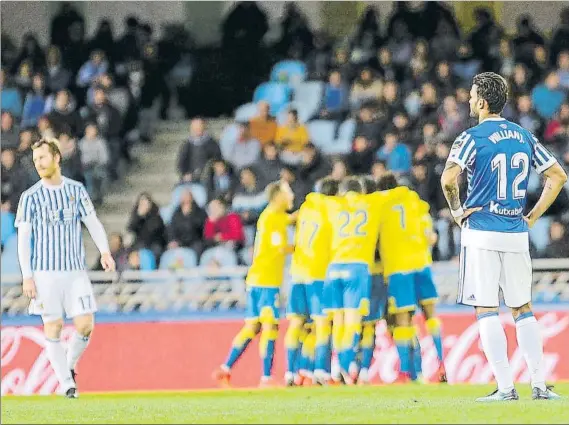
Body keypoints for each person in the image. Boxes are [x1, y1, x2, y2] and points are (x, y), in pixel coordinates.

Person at [441, 72, 567, 401]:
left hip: (481, 231)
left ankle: (506, 387)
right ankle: (539, 385)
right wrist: (532, 216)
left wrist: (456, 211)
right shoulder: (523, 135)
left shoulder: (470, 137)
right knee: (522, 308)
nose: (468, 101)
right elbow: (557, 175)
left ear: (482, 102)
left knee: (486, 308)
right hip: (515, 233)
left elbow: (448, 179)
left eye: (471, 96)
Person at [16, 137, 116, 399]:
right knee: (54, 327)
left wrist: (105, 251)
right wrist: (27, 276)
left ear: (57, 158)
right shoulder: (30, 197)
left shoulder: (76, 190)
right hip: (45, 273)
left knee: (85, 326)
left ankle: (69, 366)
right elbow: (24, 240)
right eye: (36, 159)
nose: (39, 163)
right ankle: (66, 384)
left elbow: (92, 222)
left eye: (43, 158)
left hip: (75, 272)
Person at [321, 177, 408, 384]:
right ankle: (344, 366)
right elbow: (399, 192)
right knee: (355, 322)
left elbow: (315, 201)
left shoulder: (333, 205)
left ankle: (335, 369)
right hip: (357, 267)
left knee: (338, 321)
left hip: (333, 267)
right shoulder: (372, 203)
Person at [213, 181, 295, 387]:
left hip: (257, 279)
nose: (292, 196)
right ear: (278, 197)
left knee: (252, 327)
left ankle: (225, 368)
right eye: (288, 192)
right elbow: (280, 247)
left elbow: (292, 218)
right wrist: (302, 247)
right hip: (267, 281)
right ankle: (266, 378)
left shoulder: (272, 215)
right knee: (270, 326)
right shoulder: (273, 218)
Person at [376, 173, 446, 383]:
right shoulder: (417, 203)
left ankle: (408, 372)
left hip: (399, 268)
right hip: (422, 266)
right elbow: (431, 237)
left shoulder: (381, 204)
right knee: (431, 316)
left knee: (404, 320)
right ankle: (443, 366)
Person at [285, 177, 339, 386]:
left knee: (297, 323)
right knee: (322, 323)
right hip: (318, 273)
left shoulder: (307, 207)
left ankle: (291, 372)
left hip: (298, 272)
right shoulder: (331, 209)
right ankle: (320, 371)